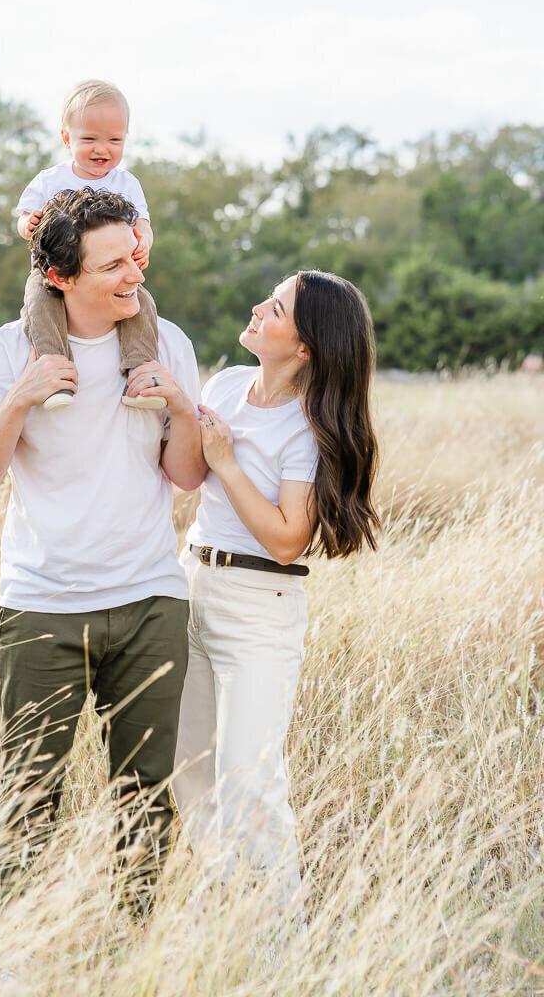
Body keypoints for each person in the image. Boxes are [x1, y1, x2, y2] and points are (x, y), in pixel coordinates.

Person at [0, 187, 205, 914]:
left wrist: (182, 406)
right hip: (43, 608)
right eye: (113, 267)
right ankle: (8, 957)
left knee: (146, 803)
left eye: (135, 258)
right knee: (28, 800)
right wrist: (21, 398)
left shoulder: (166, 342)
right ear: (60, 277)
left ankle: (131, 954)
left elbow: (185, 475)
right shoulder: (9, 349)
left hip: (151, 599)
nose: (134, 276)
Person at [173, 270, 380, 919]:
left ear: (307, 347)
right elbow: (185, 473)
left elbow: (288, 538)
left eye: (279, 308)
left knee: (249, 780)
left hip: (261, 607)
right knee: (189, 771)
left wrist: (227, 461)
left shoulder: (308, 429)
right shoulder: (226, 386)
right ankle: (223, 915)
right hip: (191, 584)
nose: (259, 308)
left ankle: (279, 946)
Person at [15, 79, 163, 411]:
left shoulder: (126, 182)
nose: (102, 149)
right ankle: (55, 373)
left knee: (142, 305)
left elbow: (142, 222)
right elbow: (23, 217)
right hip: (52, 270)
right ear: (67, 138)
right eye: (89, 139)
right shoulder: (50, 180)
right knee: (39, 304)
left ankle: (140, 370)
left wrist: (145, 242)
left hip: (113, 274)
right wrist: (29, 224)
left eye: (114, 140)